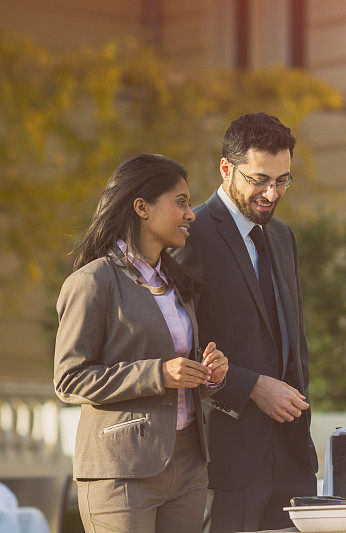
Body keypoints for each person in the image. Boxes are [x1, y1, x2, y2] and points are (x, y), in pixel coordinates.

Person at [54, 153, 229, 533]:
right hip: (121, 471)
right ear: (142, 208)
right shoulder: (93, 282)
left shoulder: (178, 282)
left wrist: (210, 372)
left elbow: (178, 364)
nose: (191, 214)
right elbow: (69, 379)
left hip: (188, 466)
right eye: (180, 202)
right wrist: (158, 374)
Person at [173, 113, 318, 532]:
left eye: (283, 180)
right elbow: (174, 343)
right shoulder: (190, 236)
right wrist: (251, 386)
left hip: (292, 459)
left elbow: (294, 345)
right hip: (225, 459)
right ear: (225, 169)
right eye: (259, 179)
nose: (272, 193)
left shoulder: (283, 237)